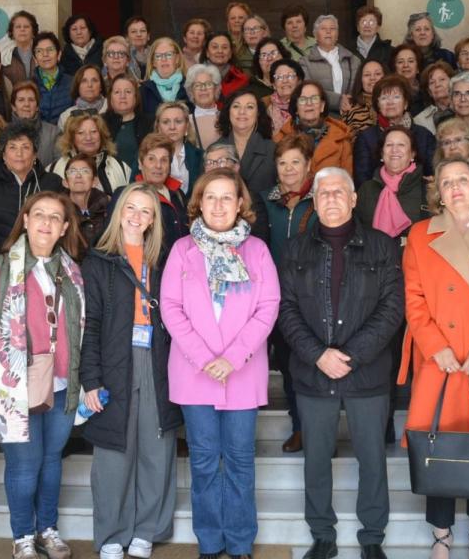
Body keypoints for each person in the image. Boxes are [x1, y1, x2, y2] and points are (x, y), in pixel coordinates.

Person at [277, 166, 402, 559]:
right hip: (314, 374)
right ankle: (323, 536)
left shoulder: (383, 246)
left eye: (338, 192)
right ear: (314, 201)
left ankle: (372, 538)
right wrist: (317, 354)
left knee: (372, 459)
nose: (331, 198)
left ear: (352, 200)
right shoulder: (295, 250)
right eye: (323, 193)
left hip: (368, 373)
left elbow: (392, 308)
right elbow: (286, 309)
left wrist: (350, 355)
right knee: (316, 459)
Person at [161, 168, 280, 559]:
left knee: (242, 463)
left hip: (242, 372)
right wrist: (204, 357)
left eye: (227, 197)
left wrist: (231, 357)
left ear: (240, 204)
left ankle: (241, 542)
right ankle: (210, 543)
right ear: (199, 202)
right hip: (195, 374)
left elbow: (267, 308)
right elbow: (171, 309)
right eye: (210, 197)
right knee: (205, 463)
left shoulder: (258, 251)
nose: (218, 205)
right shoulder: (182, 250)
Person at [0, 191, 86, 559]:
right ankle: (23, 536)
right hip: (12, 384)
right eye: (39, 215)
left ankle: (48, 529)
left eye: (55, 217)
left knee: (51, 460)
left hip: (63, 382)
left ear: (64, 227)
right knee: (24, 463)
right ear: (27, 221)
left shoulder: (72, 271)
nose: (46, 223)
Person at [400, 158, 469, 559]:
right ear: (438, 194)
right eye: (446, 183)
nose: (455, 187)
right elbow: (414, 298)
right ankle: (441, 534)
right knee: (437, 440)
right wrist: (434, 346)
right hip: (439, 359)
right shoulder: (419, 234)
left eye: (462, 179)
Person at [80, 182, 181, 559]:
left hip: (157, 362)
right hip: (113, 365)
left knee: (157, 448)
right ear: (118, 213)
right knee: (113, 455)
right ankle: (111, 535)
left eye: (146, 211)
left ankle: (146, 530)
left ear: (154, 219)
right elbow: (88, 327)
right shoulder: (98, 262)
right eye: (131, 209)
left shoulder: (164, 260)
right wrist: (91, 379)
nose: (138, 217)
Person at [261, 133, 319, 452]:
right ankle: (299, 427)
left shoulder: (320, 201)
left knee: (308, 366)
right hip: (273, 299)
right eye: (282, 163)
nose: (288, 169)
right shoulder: (265, 201)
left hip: (310, 299)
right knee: (287, 366)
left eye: (296, 162)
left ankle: (314, 430)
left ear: (308, 165)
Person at [0, 122, 65, 253]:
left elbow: (65, 224)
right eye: (12, 147)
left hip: (44, 256)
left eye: (25, 147)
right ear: (3, 155)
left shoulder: (52, 183)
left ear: (35, 154)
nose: (19, 154)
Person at [353, 75, 437, 188]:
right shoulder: (366, 138)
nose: (390, 102)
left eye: (396, 97)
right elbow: (362, 182)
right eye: (384, 98)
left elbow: (432, 175)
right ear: (378, 105)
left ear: (406, 103)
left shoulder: (424, 135)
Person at [111, 133, 190, 251]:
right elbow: (113, 240)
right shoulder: (125, 195)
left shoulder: (178, 194)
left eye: (164, 160)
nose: (158, 165)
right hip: (145, 266)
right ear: (140, 163)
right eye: (151, 159)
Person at [356, 125, 431, 236]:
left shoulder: (429, 189)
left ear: (412, 154)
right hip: (377, 253)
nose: (394, 150)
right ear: (382, 154)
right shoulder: (366, 190)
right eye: (389, 145)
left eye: (401, 145)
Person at [275, 80, 354, 176]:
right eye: (303, 100)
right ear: (296, 108)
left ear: (322, 106)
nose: (309, 103)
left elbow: (347, 181)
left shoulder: (341, 139)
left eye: (314, 99)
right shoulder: (281, 138)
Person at [216, 88, 278, 200]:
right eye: (236, 106)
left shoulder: (273, 149)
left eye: (249, 107)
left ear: (258, 113)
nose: (242, 112)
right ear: (228, 111)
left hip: (265, 215)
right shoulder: (214, 150)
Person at [48, 114, 132, 195]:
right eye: (81, 133)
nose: (88, 137)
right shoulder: (54, 169)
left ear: (102, 135)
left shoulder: (121, 167)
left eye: (94, 132)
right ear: (71, 138)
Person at [300, 15, 359, 115]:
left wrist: (348, 101)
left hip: (350, 112)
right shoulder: (305, 62)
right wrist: (338, 100)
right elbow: (308, 91)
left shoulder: (352, 59)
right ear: (315, 35)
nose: (328, 32)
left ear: (337, 34)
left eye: (332, 28)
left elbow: (357, 87)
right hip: (320, 114)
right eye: (323, 28)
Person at [155, 100, 205, 196]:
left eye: (178, 121)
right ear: (158, 127)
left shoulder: (200, 156)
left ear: (186, 126)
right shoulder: (147, 155)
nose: (172, 127)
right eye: (166, 122)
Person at [103, 74, 151, 174]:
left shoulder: (149, 123)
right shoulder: (99, 123)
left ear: (136, 97)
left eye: (128, 92)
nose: (122, 96)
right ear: (110, 97)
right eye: (117, 92)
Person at [62, 154, 110, 245]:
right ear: (65, 183)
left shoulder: (108, 207)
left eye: (85, 171)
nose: (78, 175)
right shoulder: (58, 209)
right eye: (72, 171)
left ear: (95, 182)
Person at [10, 81, 61, 167]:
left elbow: (59, 166)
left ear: (37, 106)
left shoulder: (54, 133)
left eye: (31, 100)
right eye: (21, 100)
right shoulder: (3, 133)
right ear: (13, 107)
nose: (26, 104)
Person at [34, 32, 75, 125]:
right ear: (35, 59)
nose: (45, 54)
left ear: (59, 55)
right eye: (39, 51)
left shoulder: (73, 82)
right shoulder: (28, 85)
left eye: (50, 49)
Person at [141, 37, 188, 114]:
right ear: (153, 62)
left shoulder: (189, 87)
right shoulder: (143, 91)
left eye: (168, 55)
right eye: (158, 56)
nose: (164, 59)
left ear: (177, 59)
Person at [57, 64, 108, 130]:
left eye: (94, 80)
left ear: (101, 86)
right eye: (84, 81)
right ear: (77, 86)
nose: (89, 85)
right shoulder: (66, 116)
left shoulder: (112, 108)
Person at [342, 59, 386, 134]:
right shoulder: (351, 107)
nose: (372, 78)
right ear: (360, 80)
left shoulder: (394, 103)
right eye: (367, 75)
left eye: (377, 74)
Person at [185, 63, 222, 149]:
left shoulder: (226, 117)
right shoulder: (186, 122)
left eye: (208, 84)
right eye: (197, 85)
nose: (203, 88)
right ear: (191, 92)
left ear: (216, 89)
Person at [203, 32, 249, 101]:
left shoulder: (242, 79)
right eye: (215, 47)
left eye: (224, 47)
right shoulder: (196, 76)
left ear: (230, 53)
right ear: (207, 53)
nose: (220, 51)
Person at [413, 62, 455, 134]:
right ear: (429, 91)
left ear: (453, 83)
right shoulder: (419, 120)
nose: (437, 85)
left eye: (442, 79)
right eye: (432, 82)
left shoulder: (466, 108)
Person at [265, 59, 304, 134]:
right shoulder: (264, 108)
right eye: (279, 77)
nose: (285, 81)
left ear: (299, 81)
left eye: (290, 76)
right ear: (273, 84)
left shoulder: (309, 104)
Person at [2, 11, 39, 85]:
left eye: (26, 26)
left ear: (33, 31)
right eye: (18, 27)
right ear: (12, 32)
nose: (22, 29)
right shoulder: (3, 54)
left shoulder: (42, 51)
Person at [390, 44, 427, 116]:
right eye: (400, 62)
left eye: (410, 61)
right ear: (394, 68)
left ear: (418, 68)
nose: (405, 65)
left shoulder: (427, 92)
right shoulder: (388, 93)